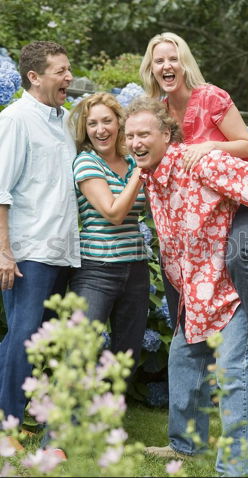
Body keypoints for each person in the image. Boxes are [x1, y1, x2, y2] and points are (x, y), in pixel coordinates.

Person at [123, 96, 248, 476]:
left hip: (233, 290)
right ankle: (185, 447)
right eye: (130, 136)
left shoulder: (200, 162)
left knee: (230, 374)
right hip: (196, 293)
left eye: (143, 133)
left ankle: (234, 471)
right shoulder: (149, 176)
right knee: (182, 361)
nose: (135, 142)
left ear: (166, 134)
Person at [140, 32, 248, 376]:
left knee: (240, 255)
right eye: (158, 61)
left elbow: (247, 147)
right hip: (218, 204)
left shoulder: (209, 97)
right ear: (150, 70)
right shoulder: (161, 113)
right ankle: (193, 346)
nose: (166, 65)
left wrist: (209, 147)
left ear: (184, 63)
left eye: (172, 58)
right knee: (176, 262)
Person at [0, 42, 80, 430]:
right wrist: (4, 253)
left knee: (34, 338)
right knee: (25, 336)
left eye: (69, 69)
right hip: (28, 249)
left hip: (62, 249)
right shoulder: (16, 119)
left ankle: (12, 409)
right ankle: (10, 422)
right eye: (61, 71)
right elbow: (0, 189)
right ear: (34, 77)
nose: (69, 77)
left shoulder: (65, 120)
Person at [68, 92, 149, 378]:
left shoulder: (131, 164)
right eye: (92, 124)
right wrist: (142, 171)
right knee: (82, 350)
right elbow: (113, 213)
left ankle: (111, 419)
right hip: (97, 270)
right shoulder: (87, 162)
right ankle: (67, 421)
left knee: (126, 354)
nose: (100, 129)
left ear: (119, 124)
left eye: (107, 121)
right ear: (86, 129)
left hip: (136, 268)